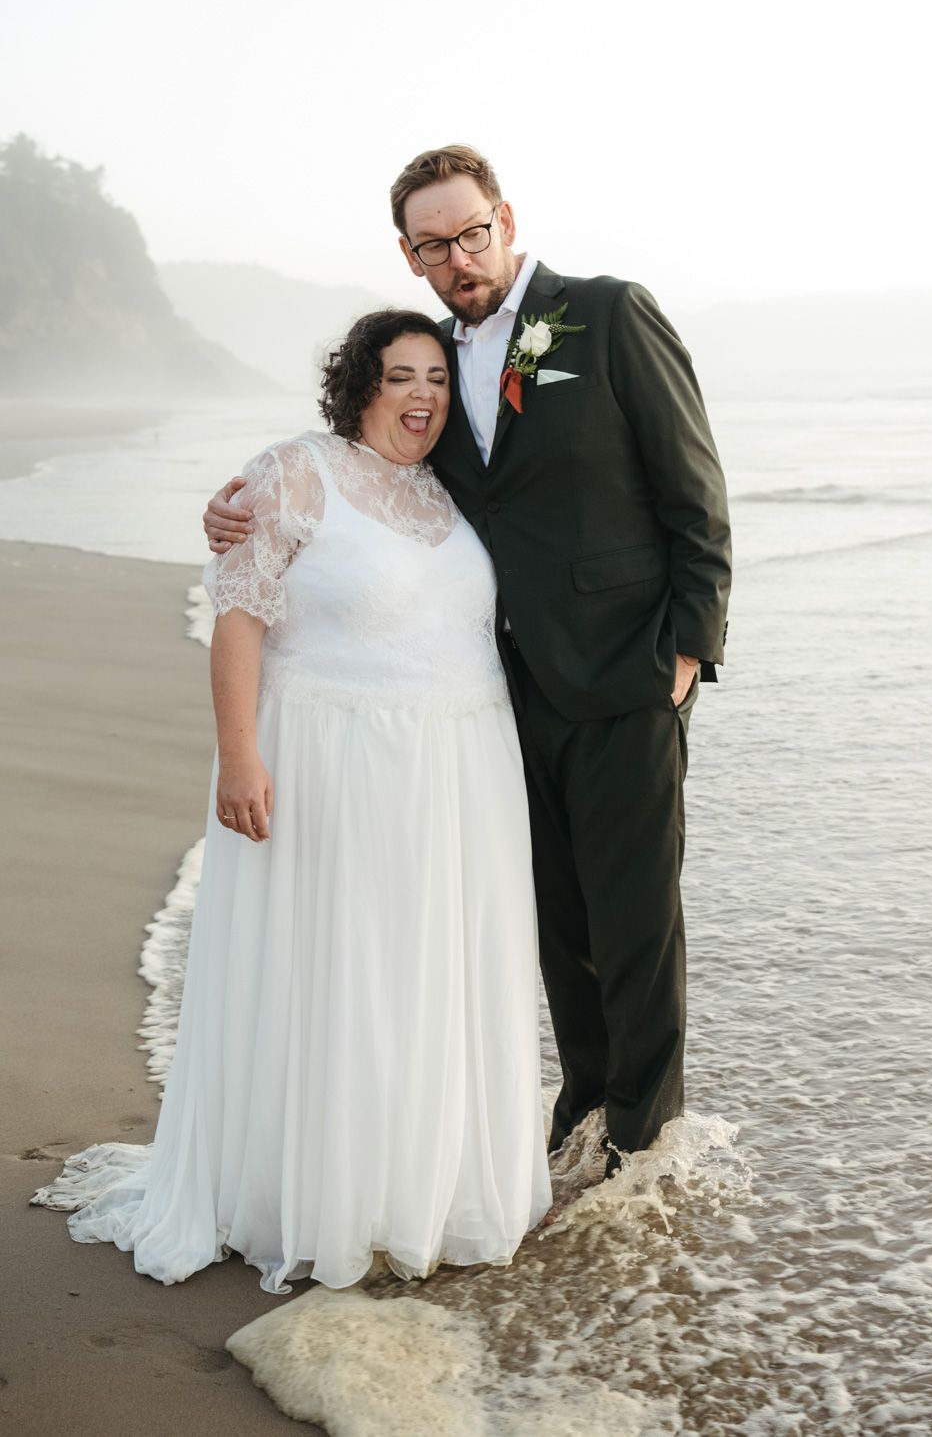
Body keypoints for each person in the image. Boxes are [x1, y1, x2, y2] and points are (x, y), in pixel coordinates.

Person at [205, 146, 732, 1169]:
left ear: (506, 219)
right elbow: (373, 472)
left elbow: (694, 498)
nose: (459, 257)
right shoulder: (431, 365)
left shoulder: (608, 314)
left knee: (634, 920)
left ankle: (645, 1141)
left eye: (472, 232)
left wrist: (684, 656)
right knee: (555, 921)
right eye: (434, 243)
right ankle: (582, 1105)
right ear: (409, 255)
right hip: (497, 691)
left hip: (625, 675)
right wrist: (238, 503)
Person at [34, 311, 552, 1291]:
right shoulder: (293, 470)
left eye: (438, 377)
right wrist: (239, 754)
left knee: (424, 973)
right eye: (399, 374)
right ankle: (313, 1193)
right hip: (330, 759)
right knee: (337, 969)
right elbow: (240, 613)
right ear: (358, 383)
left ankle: (421, 1183)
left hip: (458, 770)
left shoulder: (451, 491)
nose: (421, 394)